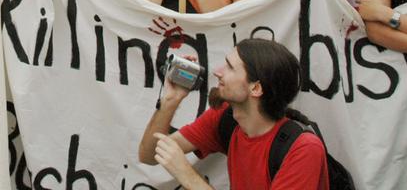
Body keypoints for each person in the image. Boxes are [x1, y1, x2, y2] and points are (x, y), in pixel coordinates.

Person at [138, 39, 329, 189]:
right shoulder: (224, 117)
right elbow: (148, 155)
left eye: (229, 67)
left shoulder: (303, 149)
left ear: (255, 88)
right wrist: (171, 101)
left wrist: (188, 177)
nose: (218, 72)